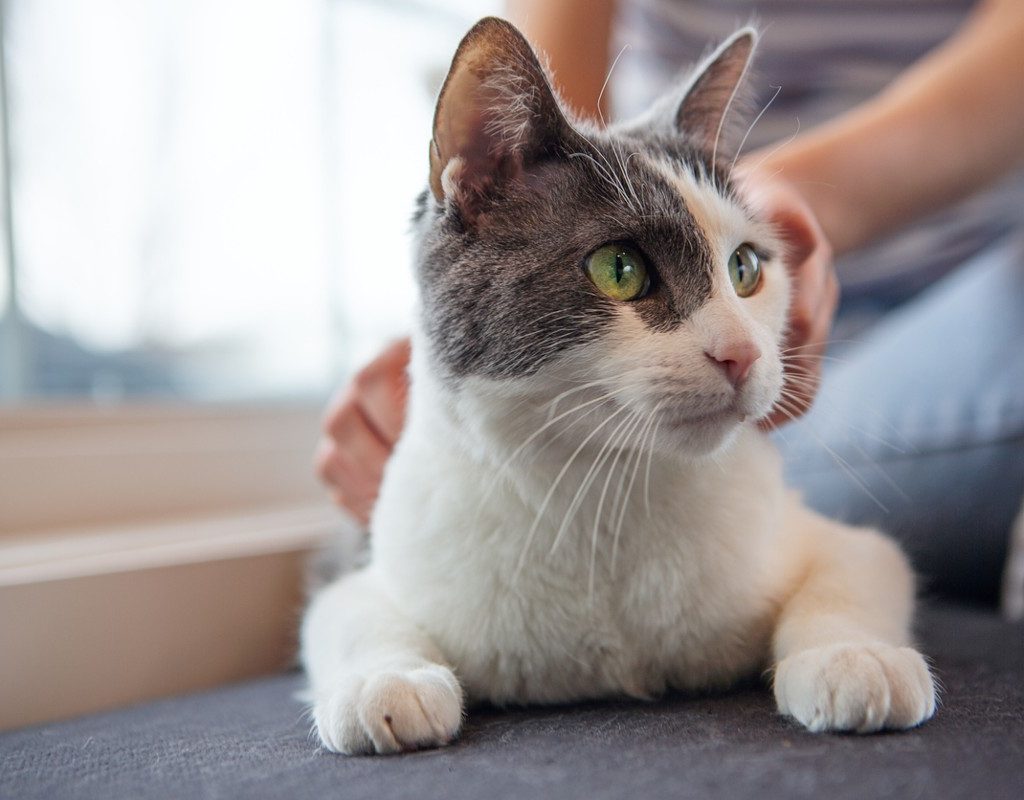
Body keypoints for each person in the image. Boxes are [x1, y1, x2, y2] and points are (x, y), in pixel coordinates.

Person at [316, 0, 1024, 606]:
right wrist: (466, 336)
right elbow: (536, 166)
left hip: (962, 306)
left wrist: (782, 202)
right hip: (761, 406)